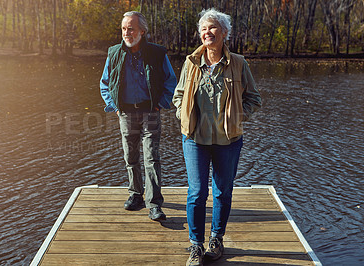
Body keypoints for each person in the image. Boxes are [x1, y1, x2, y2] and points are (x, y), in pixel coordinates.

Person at [172, 8, 261, 265]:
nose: (207, 32)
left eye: (212, 28)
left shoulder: (239, 64)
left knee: (222, 192)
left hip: (228, 142)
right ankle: (196, 246)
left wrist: (237, 118)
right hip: (194, 140)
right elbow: (178, 95)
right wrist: (182, 113)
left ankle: (216, 240)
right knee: (197, 193)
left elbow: (254, 99)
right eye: (203, 29)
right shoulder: (190, 63)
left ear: (224, 33)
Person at [100, 11, 177, 221]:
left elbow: (171, 81)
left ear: (142, 31)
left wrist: (160, 104)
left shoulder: (156, 53)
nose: (127, 32)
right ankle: (135, 195)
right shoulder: (114, 53)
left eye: (131, 28)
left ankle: (154, 204)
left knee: (151, 157)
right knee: (130, 156)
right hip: (125, 111)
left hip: (150, 111)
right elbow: (104, 83)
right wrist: (114, 107)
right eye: (124, 28)